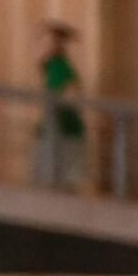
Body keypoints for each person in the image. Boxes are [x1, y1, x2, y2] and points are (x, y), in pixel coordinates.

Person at [37, 19, 87, 189]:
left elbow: (65, 97)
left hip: (64, 128)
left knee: (62, 180)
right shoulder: (53, 66)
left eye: (48, 42)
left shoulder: (60, 67)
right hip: (58, 127)